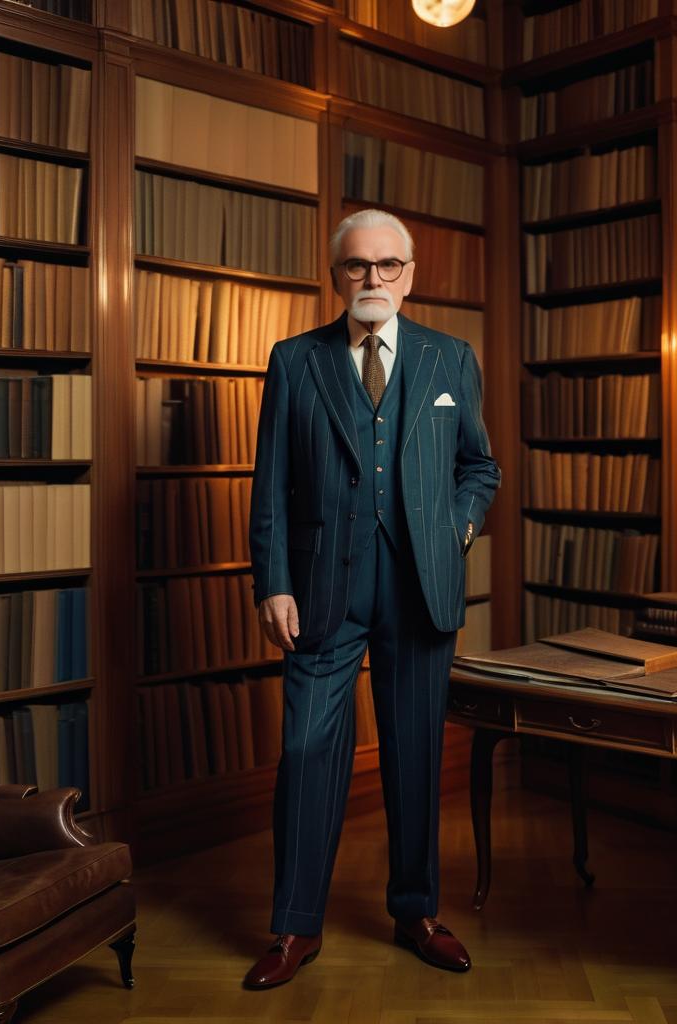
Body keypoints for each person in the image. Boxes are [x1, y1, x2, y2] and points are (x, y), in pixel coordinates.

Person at [244, 208, 500, 989]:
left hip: (422, 590)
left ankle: (416, 910)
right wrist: (274, 581)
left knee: (415, 754)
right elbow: (272, 489)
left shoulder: (451, 359)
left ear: (410, 274)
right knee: (306, 752)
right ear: (337, 277)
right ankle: (294, 926)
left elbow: (478, 470)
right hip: (324, 590)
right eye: (358, 266)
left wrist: (452, 532)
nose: (373, 279)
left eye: (389, 265)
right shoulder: (296, 361)